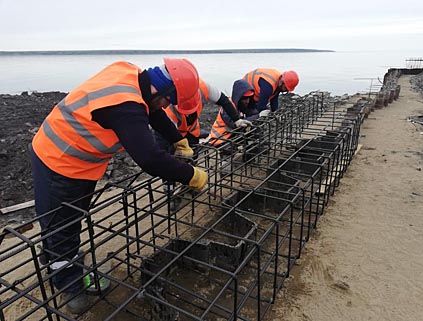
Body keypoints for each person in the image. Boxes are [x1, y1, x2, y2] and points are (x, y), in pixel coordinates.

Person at [30, 58, 208, 314]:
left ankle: (54, 256)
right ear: (162, 90)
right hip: (58, 160)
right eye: (169, 100)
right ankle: (68, 283)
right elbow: (149, 158)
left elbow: (153, 112)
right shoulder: (125, 105)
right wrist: (192, 176)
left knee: (72, 217)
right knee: (62, 225)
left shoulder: (133, 76)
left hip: (81, 162)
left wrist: (177, 140)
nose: (168, 106)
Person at [153, 78, 252, 200]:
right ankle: (171, 193)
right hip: (168, 132)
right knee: (169, 162)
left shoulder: (203, 88)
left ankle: (187, 186)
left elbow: (224, 100)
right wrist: (176, 150)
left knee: (192, 157)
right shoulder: (167, 113)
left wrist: (237, 119)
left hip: (192, 130)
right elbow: (166, 140)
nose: (188, 114)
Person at [209, 79, 258, 174]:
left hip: (232, 134)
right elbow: (232, 123)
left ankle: (249, 157)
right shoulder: (228, 107)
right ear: (239, 96)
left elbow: (254, 113)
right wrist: (253, 118)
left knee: (254, 132)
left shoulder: (242, 103)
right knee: (228, 148)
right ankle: (224, 166)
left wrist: (259, 114)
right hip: (220, 138)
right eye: (245, 98)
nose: (247, 101)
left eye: (249, 98)